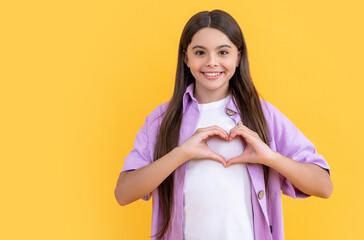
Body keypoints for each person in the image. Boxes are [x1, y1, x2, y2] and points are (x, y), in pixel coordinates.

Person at [114, 9, 333, 240]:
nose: (211, 62)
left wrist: (269, 156)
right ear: (186, 57)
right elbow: (124, 193)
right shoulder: (162, 119)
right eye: (200, 52)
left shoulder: (263, 115)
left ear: (238, 57)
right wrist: (182, 153)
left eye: (223, 52)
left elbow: (323, 187)